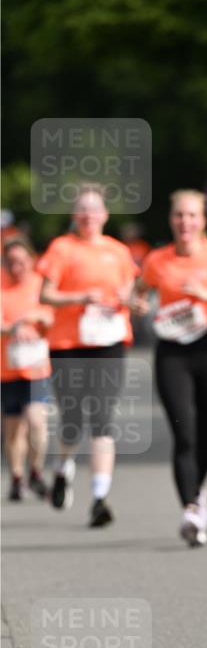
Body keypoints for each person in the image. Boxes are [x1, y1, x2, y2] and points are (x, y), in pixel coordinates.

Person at [136, 190, 207, 547]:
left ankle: (197, 492)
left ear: (203, 220)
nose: (185, 222)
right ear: (171, 220)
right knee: (184, 434)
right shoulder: (157, 260)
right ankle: (191, 507)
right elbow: (138, 292)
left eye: (192, 215)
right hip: (171, 353)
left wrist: (204, 294)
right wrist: (137, 304)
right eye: (179, 215)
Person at [37, 184, 139, 527]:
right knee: (72, 419)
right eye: (83, 209)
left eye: (94, 209)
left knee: (102, 417)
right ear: (74, 215)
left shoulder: (118, 252)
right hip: (68, 344)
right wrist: (81, 297)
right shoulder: (61, 248)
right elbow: (46, 295)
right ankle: (62, 468)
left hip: (109, 341)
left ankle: (99, 497)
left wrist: (130, 301)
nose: (88, 215)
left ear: (105, 215)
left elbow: (129, 292)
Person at [1, 239, 53, 500]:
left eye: (21, 262)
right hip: (7, 368)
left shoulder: (41, 285)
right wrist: (14, 328)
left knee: (36, 420)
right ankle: (16, 477)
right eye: (11, 263)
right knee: (13, 429)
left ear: (32, 260)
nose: (17, 268)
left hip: (37, 368)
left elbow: (52, 316)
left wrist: (37, 319)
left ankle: (36, 471)